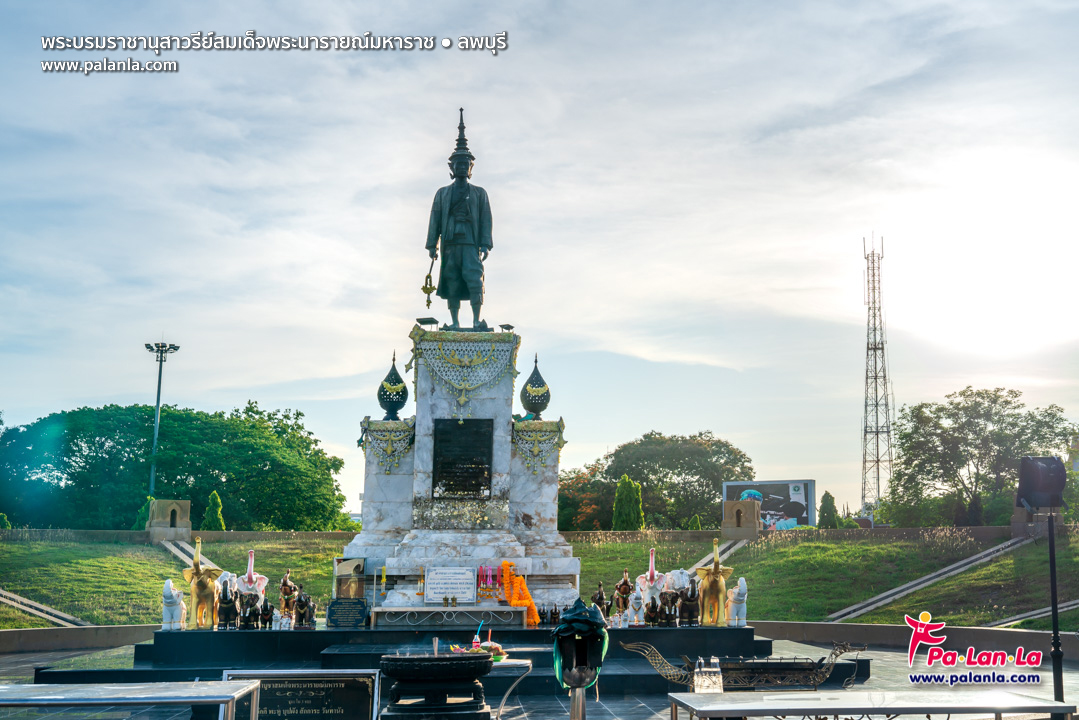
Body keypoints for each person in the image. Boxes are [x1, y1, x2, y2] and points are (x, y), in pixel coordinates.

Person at [426, 109, 493, 331]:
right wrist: (432, 245)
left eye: (466, 163)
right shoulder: (443, 194)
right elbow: (435, 218)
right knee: (452, 281)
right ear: (451, 167)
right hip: (451, 243)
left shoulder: (479, 193)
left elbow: (485, 219)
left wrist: (485, 243)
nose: (462, 167)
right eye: (458, 163)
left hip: (470, 243)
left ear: (471, 166)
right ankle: (454, 321)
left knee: (475, 279)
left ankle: (476, 320)